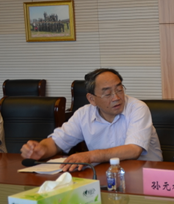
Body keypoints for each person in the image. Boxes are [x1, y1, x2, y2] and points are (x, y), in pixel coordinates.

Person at [21, 68, 162, 171]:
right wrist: (42, 149)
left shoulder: (137, 108)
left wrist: (91, 156)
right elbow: (57, 142)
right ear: (91, 99)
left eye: (119, 90)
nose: (116, 97)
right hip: (105, 175)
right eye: (108, 93)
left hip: (145, 175)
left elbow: (133, 150)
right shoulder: (84, 114)